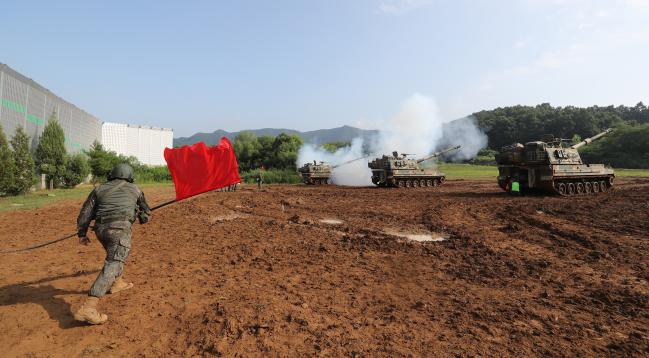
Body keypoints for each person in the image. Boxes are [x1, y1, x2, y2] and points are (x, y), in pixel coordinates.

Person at [74, 164, 151, 325]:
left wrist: (82, 234)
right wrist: (140, 215)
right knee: (115, 262)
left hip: (101, 231)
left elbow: (85, 213)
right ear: (130, 176)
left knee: (114, 254)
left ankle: (117, 283)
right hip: (120, 230)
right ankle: (89, 307)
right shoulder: (136, 189)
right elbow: (146, 215)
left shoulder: (98, 189)